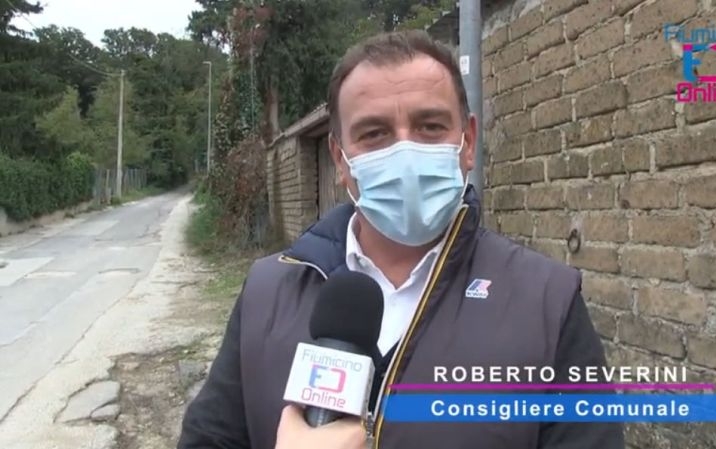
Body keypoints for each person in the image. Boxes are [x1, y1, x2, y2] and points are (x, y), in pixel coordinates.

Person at [177, 29, 625, 449]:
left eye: (430, 126)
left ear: (468, 142)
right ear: (340, 158)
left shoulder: (548, 302)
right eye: (374, 134)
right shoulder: (266, 292)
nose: (405, 152)